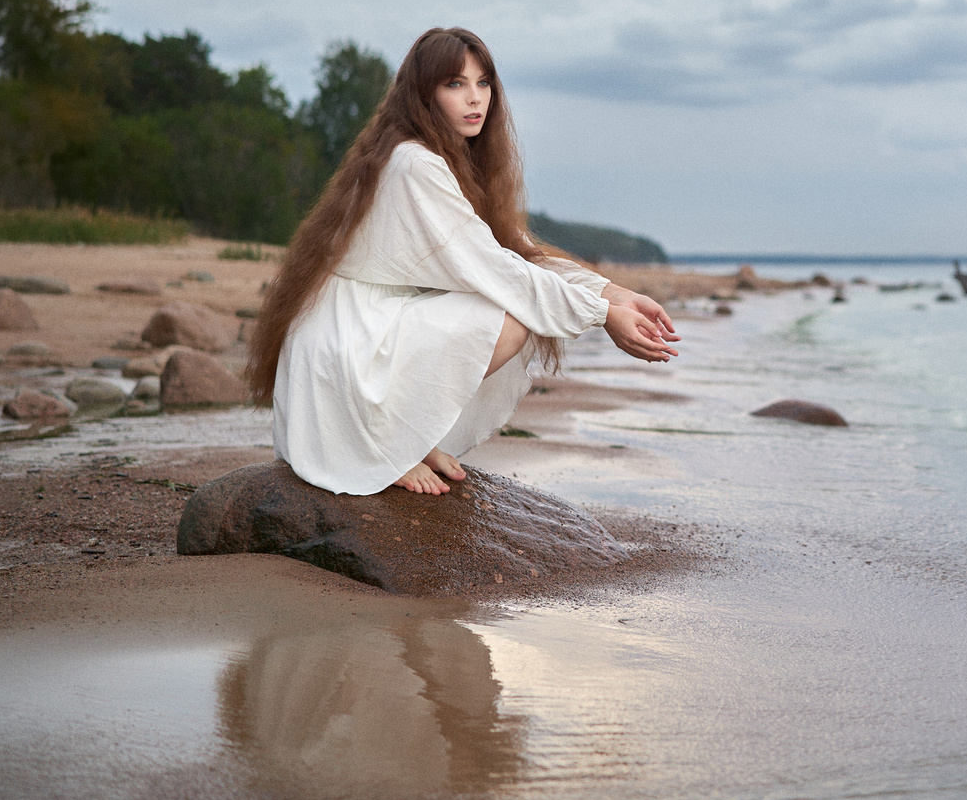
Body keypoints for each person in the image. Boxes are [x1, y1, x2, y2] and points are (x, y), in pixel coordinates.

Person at [245, 27, 677, 495]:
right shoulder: (414, 163)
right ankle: (388, 445)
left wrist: (615, 293)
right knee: (510, 318)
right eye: (455, 84)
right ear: (423, 95)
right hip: (347, 344)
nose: (475, 99)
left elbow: (516, 251)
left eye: (483, 82)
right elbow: (497, 269)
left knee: (513, 307)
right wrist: (602, 316)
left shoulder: (446, 159)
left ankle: (410, 437)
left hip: (371, 324)